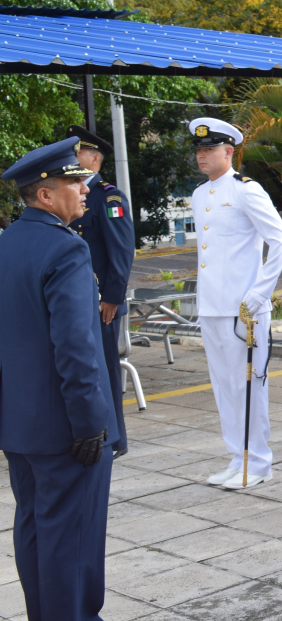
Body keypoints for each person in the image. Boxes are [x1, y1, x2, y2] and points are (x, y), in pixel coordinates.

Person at [0, 138, 118, 621]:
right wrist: (90, 422)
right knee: (73, 538)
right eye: (74, 182)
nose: (85, 189)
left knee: (33, 527)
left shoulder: (6, 243)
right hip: (67, 428)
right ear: (46, 195)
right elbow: (75, 348)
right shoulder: (66, 250)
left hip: (20, 424)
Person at [189, 118, 282, 490]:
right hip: (211, 305)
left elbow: (280, 239)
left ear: (229, 151)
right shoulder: (200, 195)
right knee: (223, 387)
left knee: (248, 387)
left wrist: (259, 294)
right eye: (199, 150)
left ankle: (257, 462)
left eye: (210, 149)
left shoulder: (246, 190)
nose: (202, 155)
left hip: (243, 308)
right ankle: (236, 457)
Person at [66, 125, 135, 457]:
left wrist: (112, 297)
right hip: (78, 299)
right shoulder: (70, 194)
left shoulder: (108, 196)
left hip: (102, 304)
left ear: (94, 159)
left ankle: (116, 438)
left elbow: (121, 251)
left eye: (77, 153)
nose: (71, 158)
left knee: (107, 369)